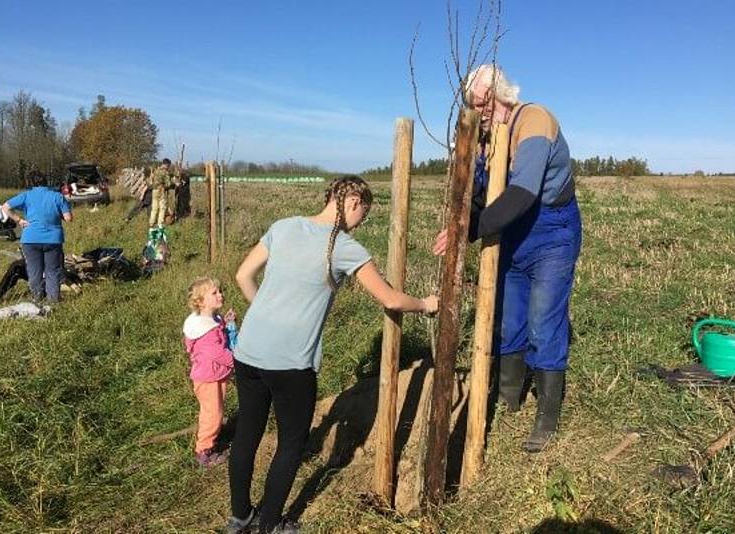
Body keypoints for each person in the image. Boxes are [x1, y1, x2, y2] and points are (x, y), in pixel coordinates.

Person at [227, 176, 438, 534]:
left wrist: (267, 311)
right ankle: (270, 525)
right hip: (291, 364)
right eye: (364, 215)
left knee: (247, 432)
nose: (361, 223)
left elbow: (242, 275)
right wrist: (425, 304)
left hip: (248, 351)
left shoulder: (284, 226)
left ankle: (239, 516)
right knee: (291, 444)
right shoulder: (343, 247)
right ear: (354, 202)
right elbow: (389, 298)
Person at [433, 65, 582, 453]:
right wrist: (461, 220)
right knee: (510, 317)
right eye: (472, 104)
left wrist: (470, 232)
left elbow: (521, 194)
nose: (477, 109)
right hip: (511, 231)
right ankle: (509, 399)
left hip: (551, 231)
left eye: (481, 101)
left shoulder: (534, 119)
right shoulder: (487, 138)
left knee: (543, 319)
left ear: (499, 93)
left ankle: (547, 419)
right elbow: (482, 195)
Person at [183, 277, 237, 467]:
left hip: (215, 375)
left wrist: (228, 323)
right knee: (212, 414)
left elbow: (221, 333)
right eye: (214, 293)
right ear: (200, 302)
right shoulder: (203, 330)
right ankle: (204, 452)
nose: (220, 295)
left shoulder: (212, 319)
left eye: (219, 291)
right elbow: (218, 353)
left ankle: (211, 440)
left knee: (215, 411)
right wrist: (237, 361)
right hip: (208, 379)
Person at [2, 170, 73, 303]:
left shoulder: (26, 196)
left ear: (30, 182)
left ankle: (37, 298)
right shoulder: (57, 196)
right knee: (52, 271)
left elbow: (5, 207)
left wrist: (19, 220)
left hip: (30, 239)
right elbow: (68, 218)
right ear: (45, 180)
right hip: (53, 239)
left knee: (34, 271)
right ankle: (53, 301)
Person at [148, 158, 172, 228]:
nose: (168, 167)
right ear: (167, 164)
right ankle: (160, 223)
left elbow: (151, 180)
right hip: (161, 190)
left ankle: (151, 223)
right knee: (162, 208)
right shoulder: (165, 172)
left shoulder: (156, 170)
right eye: (169, 166)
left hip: (154, 190)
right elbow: (168, 184)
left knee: (154, 207)